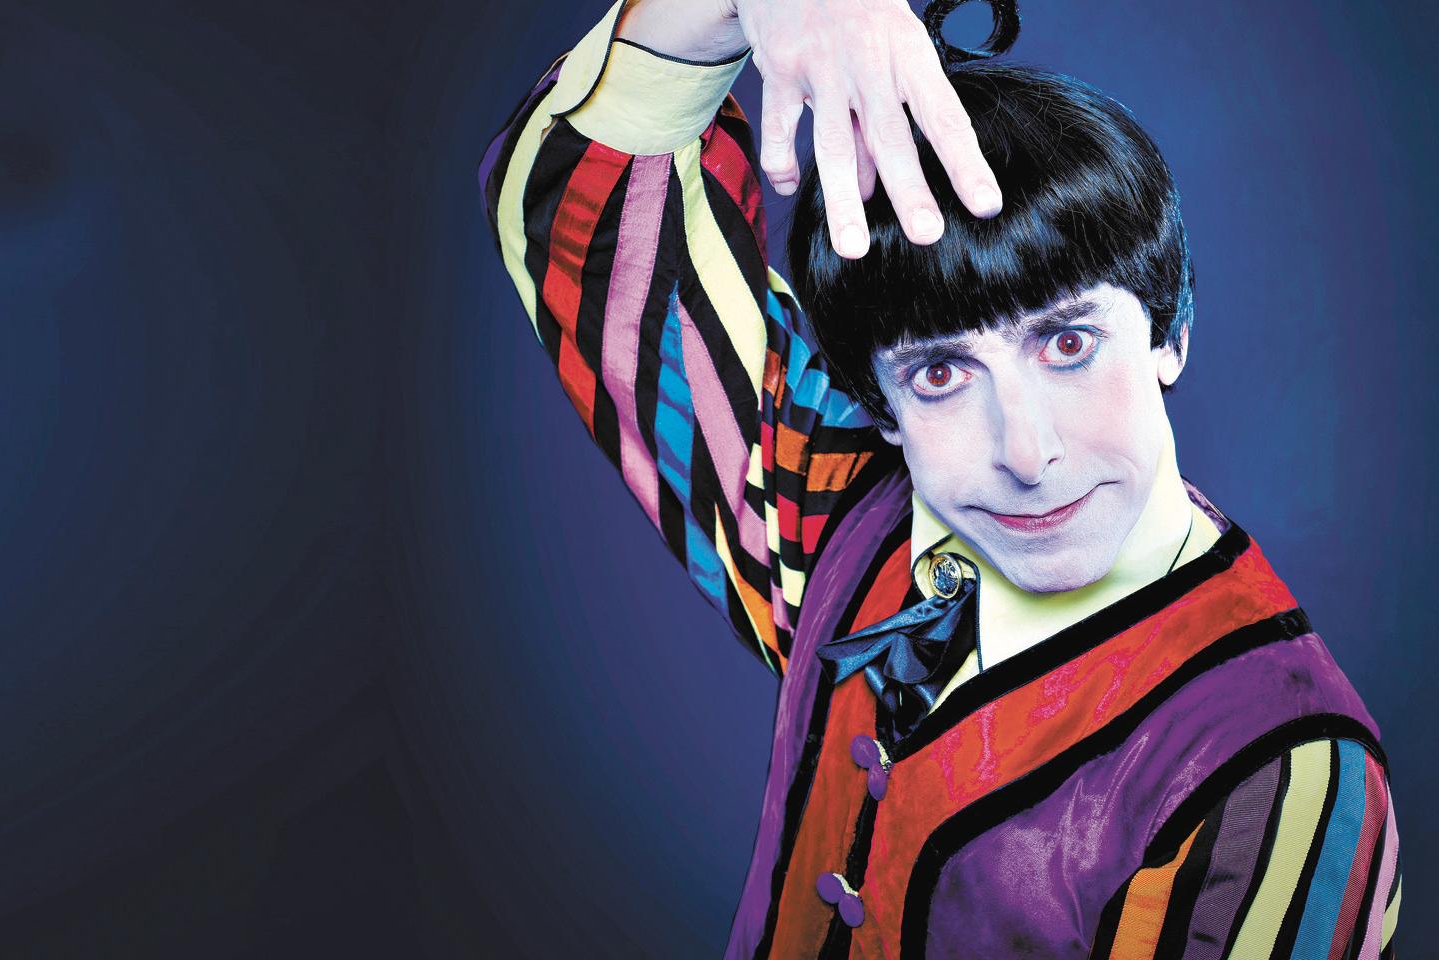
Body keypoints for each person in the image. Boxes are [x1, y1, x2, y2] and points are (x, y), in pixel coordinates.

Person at [479, 0, 1402, 955]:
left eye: (1069, 344)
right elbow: (585, 212)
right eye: (941, 374)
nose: (1026, 454)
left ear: (1169, 332)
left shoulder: (1281, 769)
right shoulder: (836, 505)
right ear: (879, 403)